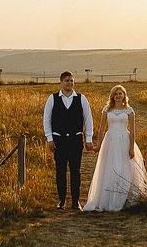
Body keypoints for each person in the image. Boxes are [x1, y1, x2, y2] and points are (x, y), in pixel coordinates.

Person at [82, 84, 147, 212]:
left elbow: (133, 131)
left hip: (124, 139)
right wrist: (98, 145)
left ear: (124, 95)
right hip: (110, 140)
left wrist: (131, 147)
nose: (118, 96)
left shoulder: (129, 111)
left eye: (120, 93)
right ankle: (108, 198)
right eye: (116, 94)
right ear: (112, 96)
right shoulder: (107, 110)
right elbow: (101, 129)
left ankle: (123, 198)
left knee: (123, 168)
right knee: (110, 167)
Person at [42, 70, 95, 210]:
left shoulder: (81, 98)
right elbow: (46, 119)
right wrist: (50, 138)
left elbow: (88, 120)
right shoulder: (52, 99)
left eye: (71, 80)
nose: (69, 83)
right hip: (58, 140)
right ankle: (61, 200)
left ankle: (75, 201)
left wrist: (88, 138)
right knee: (60, 170)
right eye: (67, 80)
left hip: (75, 140)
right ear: (61, 82)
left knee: (75, 171)